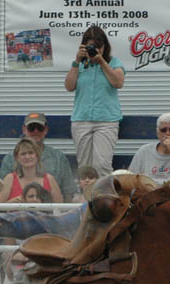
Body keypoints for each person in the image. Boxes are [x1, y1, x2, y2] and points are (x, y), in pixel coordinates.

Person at [65, 26, 124, 176]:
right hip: (81, 119)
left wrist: (101, 62)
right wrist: (76, 61)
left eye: (98, 47)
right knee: (85, 167)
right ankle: (87, 198)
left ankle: (104, 198)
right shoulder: (80, 64)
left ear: (105, 47)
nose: (95, 51)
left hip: (106, 121)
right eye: (91, 47)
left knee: (102, 166)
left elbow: (118, 83)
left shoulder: (114, 62)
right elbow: (69, 86)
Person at [0, 112, 77, 201]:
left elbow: (68, 191)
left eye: (40, 128)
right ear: (24, 129)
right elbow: (0, 195)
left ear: (46, 129)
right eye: (31, 128)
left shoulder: (59, 158)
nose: (36, 131)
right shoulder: (9, 159)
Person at [128, 113, 170, 186]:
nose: (167, 133)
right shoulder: (144, 151)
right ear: (158, 132)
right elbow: (131, 178)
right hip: (147, 192)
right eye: (163, 130)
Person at [0, 138, 62, 204]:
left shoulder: (49, 179)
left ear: (37, 155)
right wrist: (11, 202)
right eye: (23, 154)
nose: (27, 157)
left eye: (31, 153)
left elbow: (60, 209)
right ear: (17, 157)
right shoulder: (10, 179)